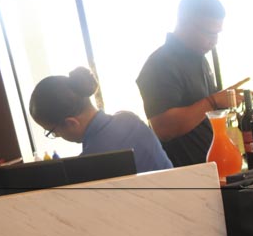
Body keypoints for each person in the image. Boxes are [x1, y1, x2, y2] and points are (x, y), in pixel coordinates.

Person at [136, 0, 238, 168]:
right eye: (209, 33)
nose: (214, 41)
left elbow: (204, 114)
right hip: (186, 174)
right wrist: (213, 101)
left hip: (211, 167)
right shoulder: (160, 64)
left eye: (217, 34)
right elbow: (164, 129)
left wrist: (223, 101)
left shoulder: (199, 58)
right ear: (184, 22)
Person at [29, 67, 173, 173]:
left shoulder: (89, 163)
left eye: (54, 132)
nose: (57, 136)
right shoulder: (130, 119)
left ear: (71, 122)